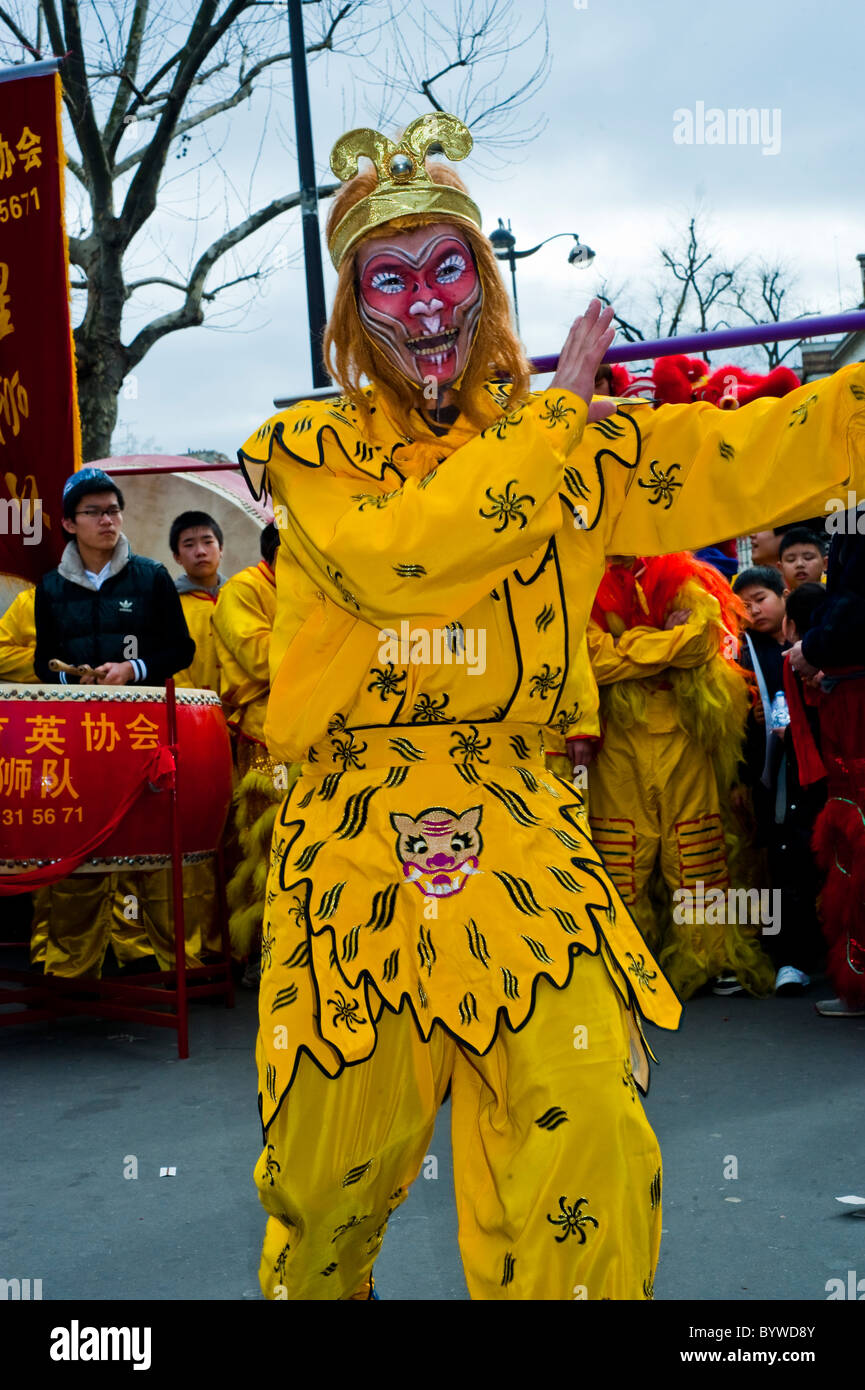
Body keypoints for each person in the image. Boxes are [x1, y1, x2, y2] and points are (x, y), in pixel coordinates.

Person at [237, 114, 865, 1302]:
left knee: (586, 1142)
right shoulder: (311, 455)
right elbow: (406, 557)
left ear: (487, 284)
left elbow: (742, 454)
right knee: (328, 1184)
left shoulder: (576, 445)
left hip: (522, 826)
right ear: (349, 308)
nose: (424, 304)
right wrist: (549, 421)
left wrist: (850, 412)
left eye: (448, 268)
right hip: (349, 842)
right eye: (389, 276)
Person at [30, 468, 198, 978]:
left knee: (149, 836)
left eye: (113, 510)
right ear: (68, 523)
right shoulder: (50, 588)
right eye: (94, 512)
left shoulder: (150, 577)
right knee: (80, 834)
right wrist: (71, 685)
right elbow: (43, 661)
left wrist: (134, 669)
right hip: (81, 733)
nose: (107, 520)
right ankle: (74, 958)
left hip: (141, 731)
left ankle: (158, 952)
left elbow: (181, 648)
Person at [586, 552, 770, 1000]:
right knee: (621, 852)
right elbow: (591, 661)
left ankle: (707, 960)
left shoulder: (686, 578)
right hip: (619, 734)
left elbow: (698, 646)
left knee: (696, 849)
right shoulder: (583, 584)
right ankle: (624, 961)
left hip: (685, 731)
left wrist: (628, 643)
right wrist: (662, 641)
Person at [732, 568, 826, 995]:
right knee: (779, 861)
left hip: (813, 771)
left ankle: (818, 953)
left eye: (761, 598)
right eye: (745, 603)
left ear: (783, 596)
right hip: (767, 776)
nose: (754, 609)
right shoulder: (739, 653)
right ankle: (787, 956)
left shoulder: (812, 641)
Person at [789, 506, 865, 1017]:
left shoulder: (857, 516)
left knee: (856, 825)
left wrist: (812, 648)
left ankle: (859, 981)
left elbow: (855, 606)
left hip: (857, 699)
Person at [211, 523, 292, 979]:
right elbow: (259, 658)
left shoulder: (322, 583)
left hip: (319, 731)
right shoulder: (244, 590)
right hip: (266, 735)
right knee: (265, 846)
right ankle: (258, 952)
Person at [170, 510, 227, 692]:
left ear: (221, 549)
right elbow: (173, 669)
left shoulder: (242, 596)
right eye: (189, 545)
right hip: (194, 710)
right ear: (177, 556)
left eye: (208, 542)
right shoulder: (169, 604)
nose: (200, 552)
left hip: (247, 714)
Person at [778, 526, 828, 592]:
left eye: (808, 557)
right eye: (791, 560)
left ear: (825, 563)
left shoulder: (839, 598)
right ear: (781, 568)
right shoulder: (781, 601)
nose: (799, 564)